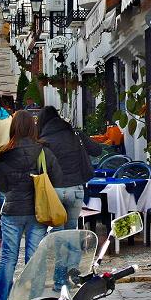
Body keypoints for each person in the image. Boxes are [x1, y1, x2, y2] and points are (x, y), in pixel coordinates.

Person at [0, 110, 63, 300]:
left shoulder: (4, 154)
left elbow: (0, 185)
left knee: (8, 257)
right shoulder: (43, 152)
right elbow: (57, 178)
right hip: (37, 211)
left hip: (12, 210)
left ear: (13, 128)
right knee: (34, 258)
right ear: (33, 128)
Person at [37, 106, 103, 289]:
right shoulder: (75, 135)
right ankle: (71, 273)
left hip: (55, 192)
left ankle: (59, 280)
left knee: (59, 236)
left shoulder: (43, 141)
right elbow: (97, 150)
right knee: (72, 231)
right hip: (76, 190)